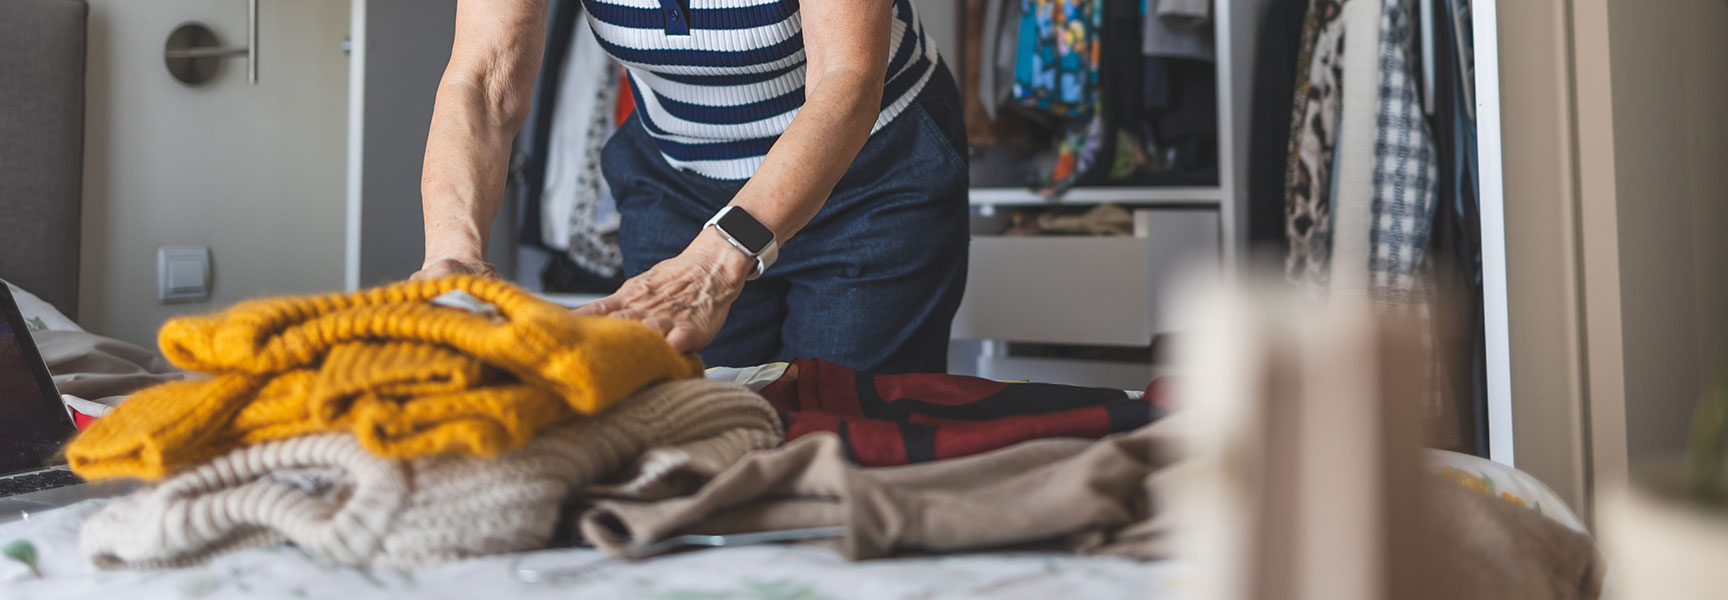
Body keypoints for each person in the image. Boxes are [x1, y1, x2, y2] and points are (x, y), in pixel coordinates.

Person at [413, 0, 970, 373]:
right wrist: (453, 256)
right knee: (684, 421)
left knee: (842, 432)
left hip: (872, 174)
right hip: (677, 175)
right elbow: (484, 81)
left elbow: (845, 77)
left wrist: (715, 262)